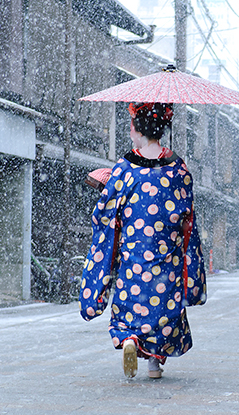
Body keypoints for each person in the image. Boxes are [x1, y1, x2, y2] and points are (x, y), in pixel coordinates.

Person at [79, 102, 206, 379]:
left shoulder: (125, 168)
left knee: (130, 307)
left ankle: (129, 340)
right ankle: (154, 363)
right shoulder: (178, 169)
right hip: (166, 258)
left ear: (137, 130)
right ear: (161, 129)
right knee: (163, 310)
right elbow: (187, 216)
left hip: (134, 257)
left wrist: (108, 192)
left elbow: (106, 211)